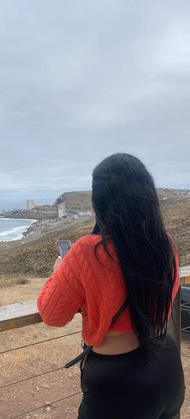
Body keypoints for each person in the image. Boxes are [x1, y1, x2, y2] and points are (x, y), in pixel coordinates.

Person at [37, 153, 185, 419]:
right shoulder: (166, 245)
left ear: (101, 202)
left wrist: (58, 271)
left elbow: (52, 315)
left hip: (119, 383)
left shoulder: (86, 251)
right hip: (166, 365)